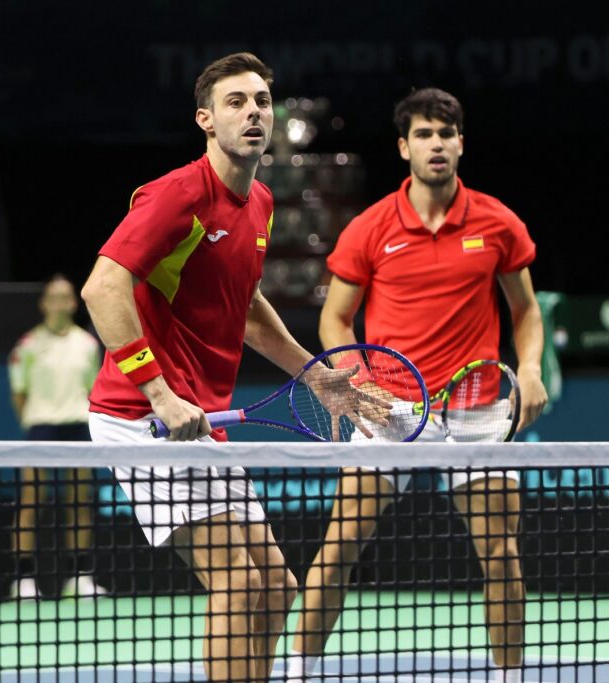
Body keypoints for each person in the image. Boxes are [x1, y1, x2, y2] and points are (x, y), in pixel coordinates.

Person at [81, 52, 384, 683]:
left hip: (202, 419)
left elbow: (245, 308)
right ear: (206, 120)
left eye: (262, 102)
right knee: (238, 582)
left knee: (275, 585)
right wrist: (158, 393)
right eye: (236, 102)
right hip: (143, 417)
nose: (253, 113)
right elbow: (102, 287)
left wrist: (316, 375)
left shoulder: (261, 202)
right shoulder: (179, 195)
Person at [286, 88, 548, 683]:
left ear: (461, 144)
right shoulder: (371, 227)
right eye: (424, 135)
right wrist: (355, 382)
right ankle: (300, 670)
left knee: (501, 553)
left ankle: (510, 677)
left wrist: (530, 369)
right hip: (391, 409)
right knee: (340, 545)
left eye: (445, 134)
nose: (436, 144)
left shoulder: (498, 222)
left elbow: (526, 311)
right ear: (404, 147)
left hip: (477, 408)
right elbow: (335, 319)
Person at [7, 274, 104, 599]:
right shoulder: (26, 346)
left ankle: (80, 576)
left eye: (65, 297)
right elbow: (19, 394)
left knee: (79, 501)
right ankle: (24, 579)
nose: (60, 303)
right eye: (54, 297)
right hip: (42, 428)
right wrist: (33, 421)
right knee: (31, 502)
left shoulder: (88, 345)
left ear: (74, 303)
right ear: (44, 304)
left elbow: (93, 390)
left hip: (77, 426)